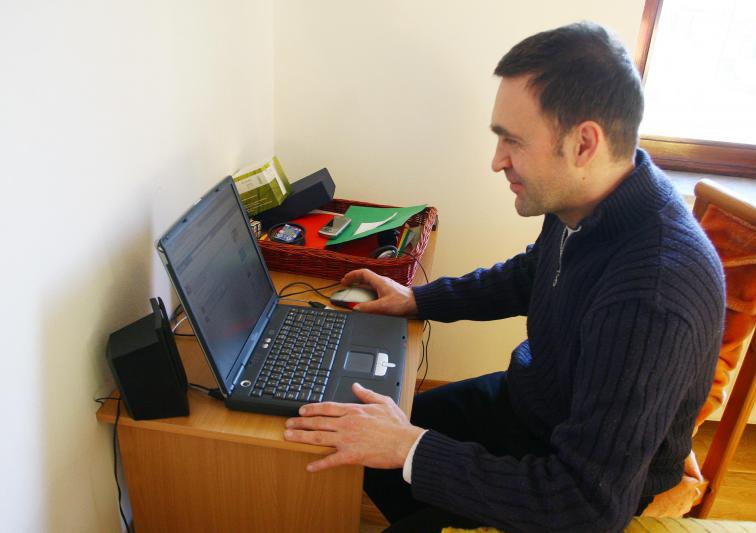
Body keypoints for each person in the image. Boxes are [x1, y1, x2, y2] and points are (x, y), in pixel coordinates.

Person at [283, 21, 725, 532]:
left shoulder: (651, 297)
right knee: (353, 433)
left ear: (584, 144)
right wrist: (419, 299)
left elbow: (586, 504)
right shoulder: (585, 199)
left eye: (512, 141)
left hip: (570, 480)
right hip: (529, 407)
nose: (498, 162)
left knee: (390, 451)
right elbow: (533, 273)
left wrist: (411, 448)